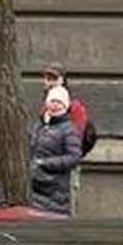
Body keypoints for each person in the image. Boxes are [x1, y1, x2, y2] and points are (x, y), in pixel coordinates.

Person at [28, 87, 83, 215]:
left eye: (60, 102)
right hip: (35, 187)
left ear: (66, 106)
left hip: (55, 190)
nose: (55, 105)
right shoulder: (38, 125)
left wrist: (45, 163)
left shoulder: (69, 129)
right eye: (53, 101)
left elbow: (74, 157)